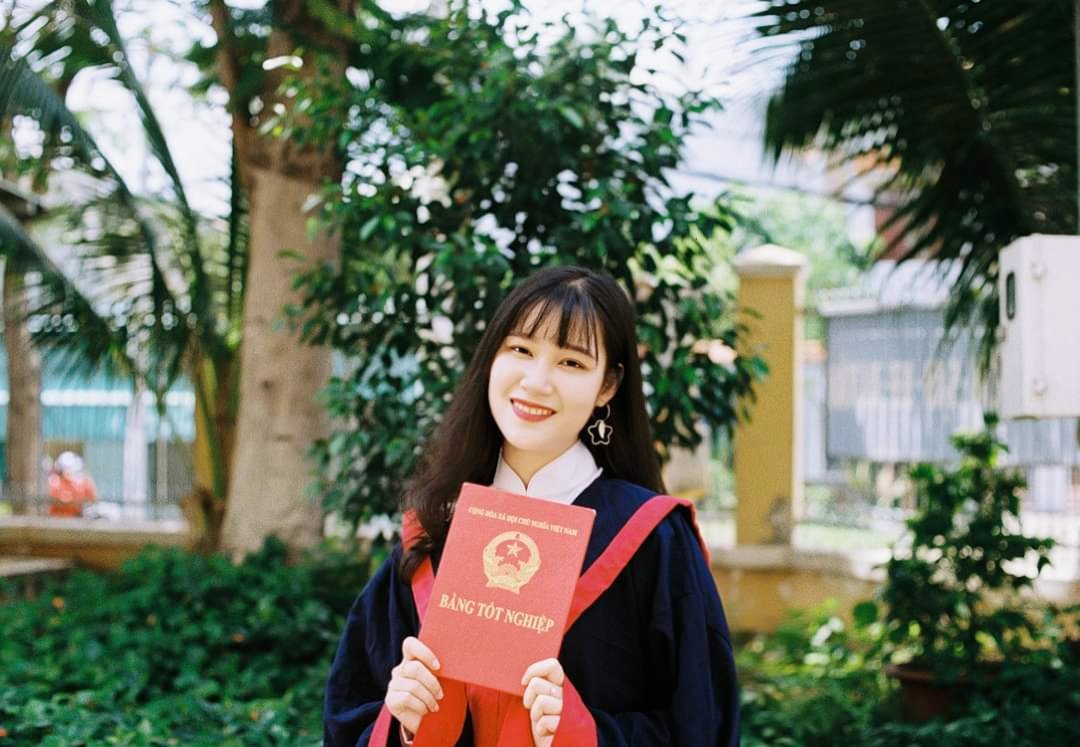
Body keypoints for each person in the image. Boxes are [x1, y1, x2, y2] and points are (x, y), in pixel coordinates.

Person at [324, 266, 740, 746]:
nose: (537, 382)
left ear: (608, 386)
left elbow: (701, 726)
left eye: (572, 363)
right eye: (520, 350)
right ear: (492, 358)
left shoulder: (653, 540)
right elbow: (349, 712)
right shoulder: (433, 533)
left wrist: (583, 735)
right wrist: (406, 726)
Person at [47, 451, 98, 518]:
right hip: (56, 520)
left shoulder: (83, 482)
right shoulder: (54, 481)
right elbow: (55, 500)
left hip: (76, 521)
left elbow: (92, 499)